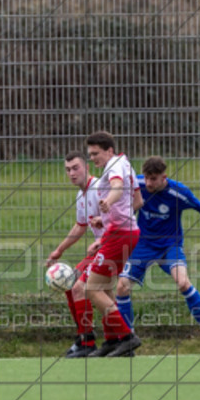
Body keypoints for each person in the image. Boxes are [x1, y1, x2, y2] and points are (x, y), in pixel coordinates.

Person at [114, 156, 200, 351]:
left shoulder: (178, 192)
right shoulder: (137, 184)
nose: (149, 183)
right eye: (147, 178)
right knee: (122, 288)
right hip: (143, 245)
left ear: (163, 177)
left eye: (154, 179)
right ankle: (127, 340)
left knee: (183, 283)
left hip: (169, 246)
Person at [83, 131, 143, 357]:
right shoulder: (126, 164)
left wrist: (107, 203)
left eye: (95, 153)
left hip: (120, 234)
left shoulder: (115, 166)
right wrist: (106, 218)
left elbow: (117, 187)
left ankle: (127, 336)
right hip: (120, 231)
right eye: (89, 154)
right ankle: (111, 340)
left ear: (109, 150)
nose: (92, 158)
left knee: (91, 287)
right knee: (105, 287)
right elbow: (138, 201)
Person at [46, 151, 102, 357]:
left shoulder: (98, 188)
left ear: (87, 167)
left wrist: (102, 239)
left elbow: (122, 218)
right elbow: (81, 226)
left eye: (75, 168)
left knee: (78, 287)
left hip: (115, 247)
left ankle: (89, 341)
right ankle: (83, 337)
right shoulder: (82, 194)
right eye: (68, 169)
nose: (71, 173)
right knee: (70, 283)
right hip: (100, 250)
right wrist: (59, 250)